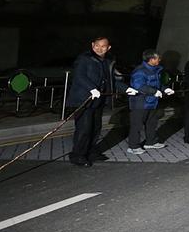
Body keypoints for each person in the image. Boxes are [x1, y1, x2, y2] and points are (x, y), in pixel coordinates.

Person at [65, 36, 130, 166]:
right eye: (97, 46)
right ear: (92, 45)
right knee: (84, 129)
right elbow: (79, 76)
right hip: (84, 100)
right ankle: (78, 155)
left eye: (103, 46)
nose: (99, 49)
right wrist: (92, 88)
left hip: (98, 100)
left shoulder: (108, 61)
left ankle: (91, 152)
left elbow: (111, 80)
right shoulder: (84, 58)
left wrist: (127, 89)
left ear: (108, 48)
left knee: (95, 128)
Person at [126, 49, 173, 154]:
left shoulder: (156, 70)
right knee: (137, 125)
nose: (160, 60)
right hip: (140, 102)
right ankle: (133, 146)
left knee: (152, 123)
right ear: (151, 59)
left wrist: (165, 89)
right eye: (158, 58)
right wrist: (154, 91)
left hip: (152, 102)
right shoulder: (140, 71)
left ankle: (150, 142)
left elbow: (157, 84)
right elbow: (139, 86)